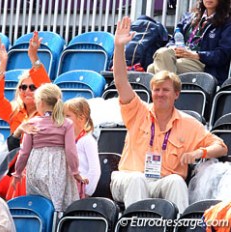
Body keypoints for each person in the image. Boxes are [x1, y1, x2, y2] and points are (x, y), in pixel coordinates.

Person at [110, 16, 228, 213]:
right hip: (129, 177)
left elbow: (221, 147)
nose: (160, 94)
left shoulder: (188, 123)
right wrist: (119, 47)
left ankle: (180, 227)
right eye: (156, 90)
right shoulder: (137, 111)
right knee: (137, 179)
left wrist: (199, 152)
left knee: (176, 181)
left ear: (176, 94)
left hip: (162, 180)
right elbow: (121, 81)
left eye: (165, 90)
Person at [0, 31, 51, 199]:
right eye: (23, 87)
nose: (27, 91)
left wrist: (33, 56)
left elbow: (47, 87)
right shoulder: (14, 111)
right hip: (15, 165)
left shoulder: (47, 111)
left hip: (39, 164)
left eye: (33, 87)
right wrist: (2, 64)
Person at [11, 83, 85, 211]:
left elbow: (24, 152)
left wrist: (17, 173)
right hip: (58, 169)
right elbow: (70, 151)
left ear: (40, 103)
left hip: (35, 169)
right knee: (59, 207)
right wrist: (75, 172)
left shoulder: (32, 123)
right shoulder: (66, 123)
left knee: (38, 206)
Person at [147, 0, 231, 85]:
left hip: (203, 63)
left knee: (155, 67)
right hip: (181, 56)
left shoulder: (227, 22)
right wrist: (175, 47)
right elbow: (174, 39)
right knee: (156, 64)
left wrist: (196, 55)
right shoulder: (190, 17)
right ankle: (170, 94)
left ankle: (169, 95)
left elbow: (222, 55)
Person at [64, 97, 101, 197]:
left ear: (81, 118)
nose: (64, 120)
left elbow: (95, 170)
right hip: (67, 190)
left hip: (81, 191)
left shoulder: (87, 140)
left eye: (67, 116)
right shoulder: (65, 139)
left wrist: (86, 192)